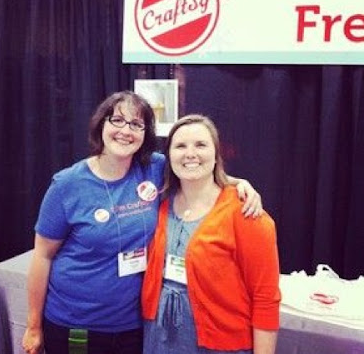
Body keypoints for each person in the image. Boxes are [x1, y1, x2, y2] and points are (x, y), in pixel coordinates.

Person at [22, 91, 263, 354]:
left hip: (134, 325)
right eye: (117, 120)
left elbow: (195, 169)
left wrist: (240, 184)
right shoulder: (67, 185)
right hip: (76, 324)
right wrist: (33, 325)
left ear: (145, 134)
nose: (126, 131)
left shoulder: (153, 168)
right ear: (101, 124)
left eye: (136, 124)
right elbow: (42, 256)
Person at [142, 114, 281, 354]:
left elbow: (265, 298)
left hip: (220, 343)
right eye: (180, 146)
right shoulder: (161, 204)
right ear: (169, 156)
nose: (190, 154)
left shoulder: (246, 213)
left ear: (216, 155)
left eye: (201, 145)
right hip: (160, 337)